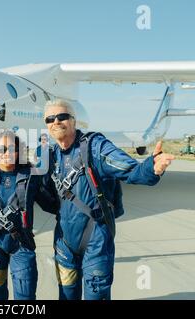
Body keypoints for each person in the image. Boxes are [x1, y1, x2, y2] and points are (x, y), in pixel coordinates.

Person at [43, 99, 175, 300]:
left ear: (74, 120)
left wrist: (151, 168)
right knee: (66, 295)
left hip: (96, 239)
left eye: (62, 116)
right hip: (64, 241)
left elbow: (130, 169)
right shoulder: (49, 156)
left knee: (97, 295)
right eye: (50, 118)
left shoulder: (95, 147)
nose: (56, 122)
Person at [0, 130, 59, 300]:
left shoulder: (31, 177)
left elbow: (51, 205)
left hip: (21, 244)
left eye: (12, 148)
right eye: (1, 149)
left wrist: (48, 175)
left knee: (25, 297)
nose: (7, 153)